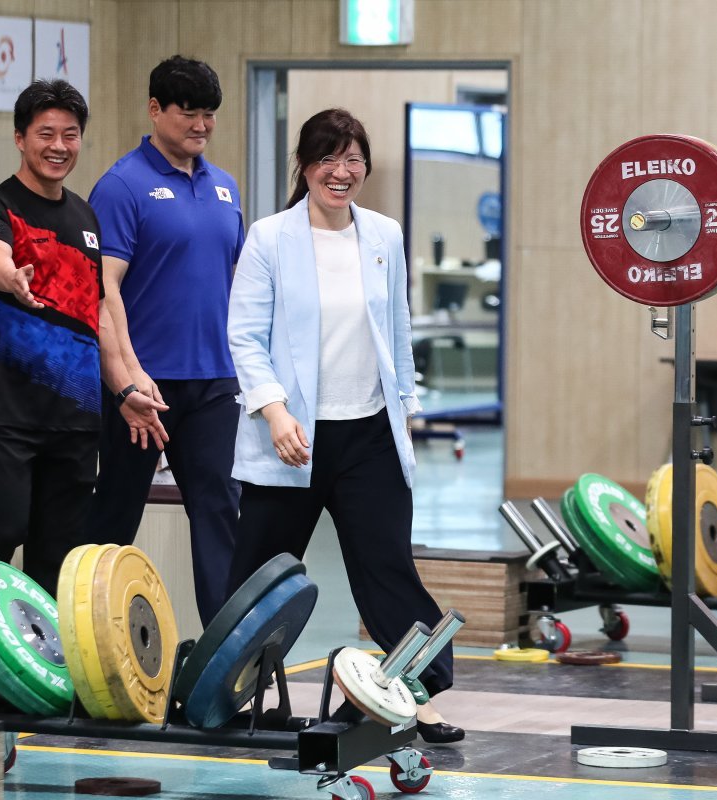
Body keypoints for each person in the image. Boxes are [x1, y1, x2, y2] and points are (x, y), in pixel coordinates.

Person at [226, 109, 462, 744]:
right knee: (263, 572)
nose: (342, 171)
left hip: (368, 435)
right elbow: (244, 338)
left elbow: (398, 331)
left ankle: (419, 693)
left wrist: (406, 412)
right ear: (304, 167)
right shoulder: (269, 238)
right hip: (292, 438)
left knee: (387, 568)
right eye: (328, 158)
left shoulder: (383, 234)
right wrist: (274, 412)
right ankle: (231, 689)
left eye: (353, 158)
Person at [0, 79, 164, 597]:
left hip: (74, 417)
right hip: (4, 411)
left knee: (57, 550)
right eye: (46, 133)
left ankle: (39, 662)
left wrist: (125, 391)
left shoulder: (85, 217)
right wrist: (10, 276)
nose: (59, 146)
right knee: (1, 528)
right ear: (21, 137)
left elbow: (100, 319)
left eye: (70, 134)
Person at [86, 55, 243, 627]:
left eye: (209, 114)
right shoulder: (123, 185)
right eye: (188, 113)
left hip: (213, 382)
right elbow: (103, 291)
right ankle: (84, 636)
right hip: (142, 386)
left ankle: (228, 656)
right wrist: (127, 379)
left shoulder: (225, 188)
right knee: (115, 514)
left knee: (219, 512)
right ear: (155, 109)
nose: (200, 125)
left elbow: (233, 286)